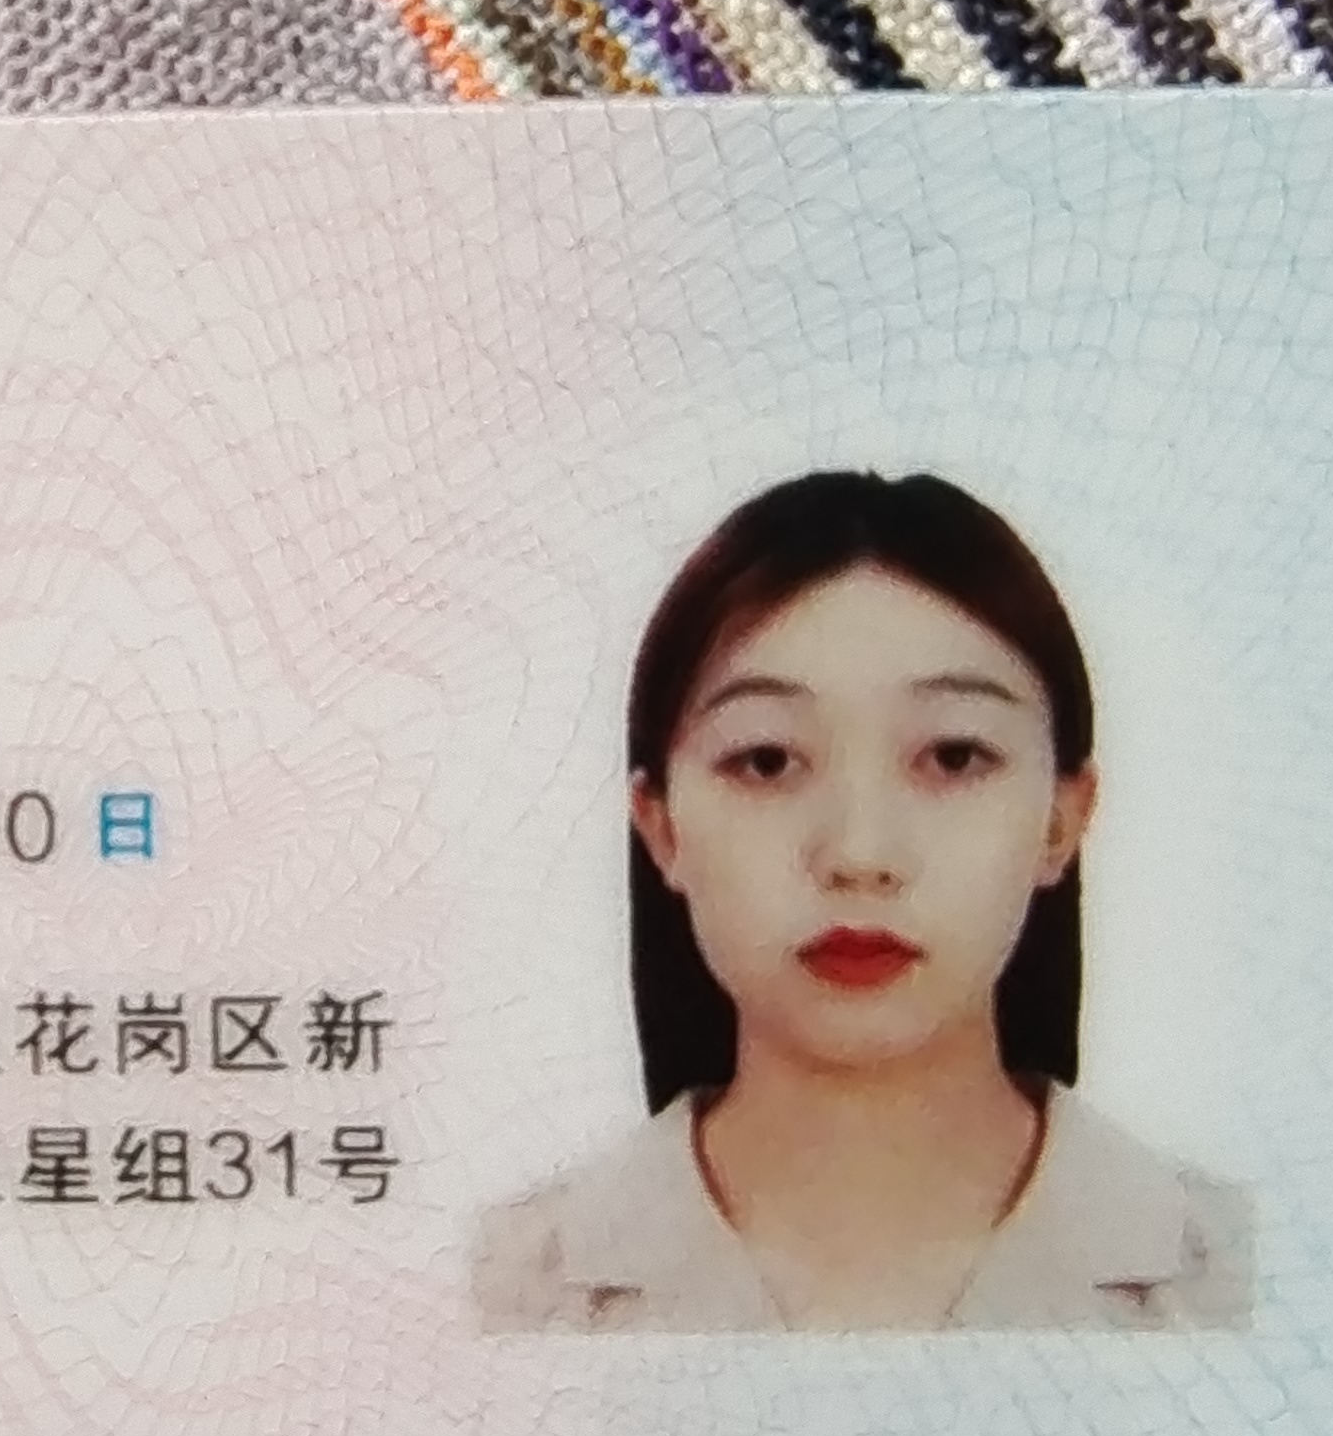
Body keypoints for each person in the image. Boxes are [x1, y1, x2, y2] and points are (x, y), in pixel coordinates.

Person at [475, 471, 1247, 1332]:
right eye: (767, 761)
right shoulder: (504, 1292)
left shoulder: (1234, 1282)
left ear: (1063, 822)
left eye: (953, 757)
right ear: (661, 828)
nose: (860, 855)